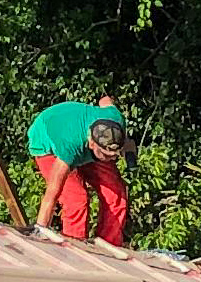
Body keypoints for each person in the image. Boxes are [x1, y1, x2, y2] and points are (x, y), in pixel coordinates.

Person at [26, 97, 132, 244]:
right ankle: (73, 247)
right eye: (105, 155)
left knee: (116, 194)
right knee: (76, 199)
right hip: (47, 142)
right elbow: (53, 191)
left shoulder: (116, 119)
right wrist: (40, 227)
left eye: (113, 155)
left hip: (82, 139)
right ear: (91, 143)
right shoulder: (70, 146)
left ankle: (109, 245)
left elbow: (105, 100)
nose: (110, 159)